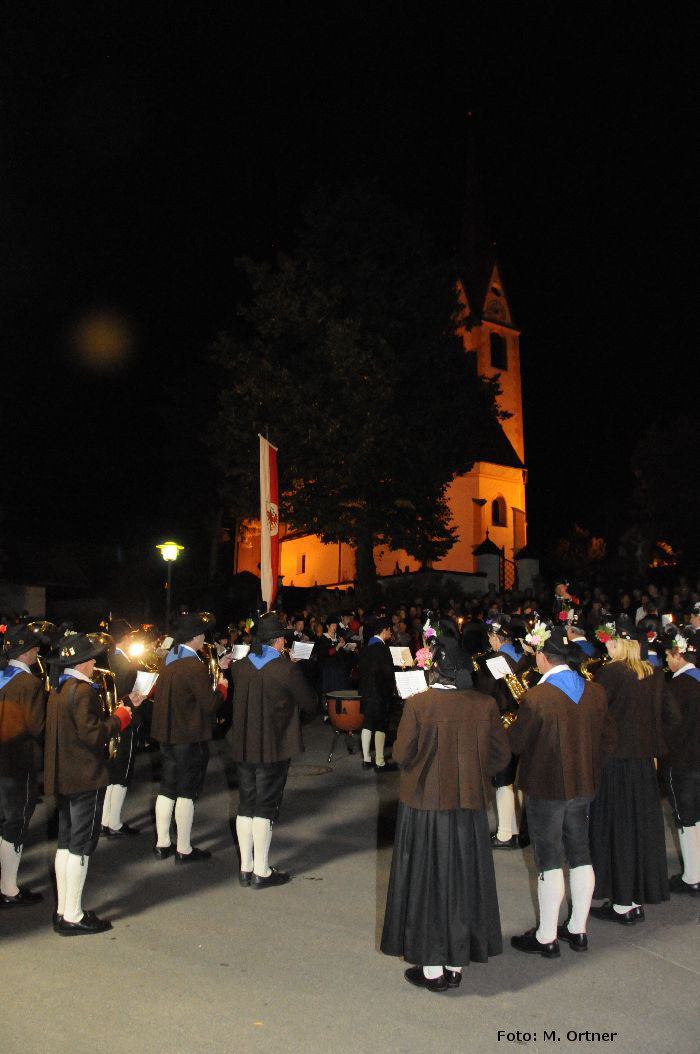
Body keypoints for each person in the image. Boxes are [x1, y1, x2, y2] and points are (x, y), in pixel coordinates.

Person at [380, 634, 511, 992]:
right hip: (468, 806)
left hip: (425, 806)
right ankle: (456, 963)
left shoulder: (419, 705)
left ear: (434, 669)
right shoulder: (484, 705)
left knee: (427, 881)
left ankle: (433, 968)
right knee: (462, 879)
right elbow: (501, 757)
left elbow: (402, 754)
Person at [508, 622, 612, 958]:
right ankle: (578, 929)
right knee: (580, 853)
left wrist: (508, 724)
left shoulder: (537, 696)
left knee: (549, 859)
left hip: (546, 786)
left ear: (542, 657)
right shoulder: (595, 691)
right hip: (584, 783)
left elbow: (518, 743)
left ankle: (546, 936)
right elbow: (608, 738)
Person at [588, 617, 678, 923]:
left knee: (618, 830)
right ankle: (636, 895)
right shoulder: (653, 673)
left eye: (610, 642)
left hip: (615, 762)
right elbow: (671, 715)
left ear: (619, 643)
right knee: (640, 828)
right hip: (642, 763)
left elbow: (596, 716)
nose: (607, 646)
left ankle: (622, 902)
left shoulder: (611, 673)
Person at [44, 633, 133, 935]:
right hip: (85, 776)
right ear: (80, 664)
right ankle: (73, 914)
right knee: (81, 846)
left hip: (66, 776)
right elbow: (93, 735)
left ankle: (63, 910)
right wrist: (120, 718)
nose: (95, 661)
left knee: (67, 844)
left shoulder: (59, 688)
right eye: (92, 658)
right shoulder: (82, 691)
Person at [229, 612, 316, 888]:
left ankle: (245, 868)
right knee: (266, 807)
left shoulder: (239, 667)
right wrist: (293, 668)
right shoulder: (285, 669)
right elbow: (309, 702)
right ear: (278, 641)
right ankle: (262, 871)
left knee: (246, 804)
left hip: (243, 744)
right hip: (273, 745)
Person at [150, 613, 230, 863]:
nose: (204, 638)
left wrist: (220, 667)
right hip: (189, 735)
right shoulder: (194, 665)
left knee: (167, 788)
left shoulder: (169, 659)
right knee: (186, 791)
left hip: (166, 734)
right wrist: (223, 687)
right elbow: (209, 703)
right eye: (202, 634)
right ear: (195, 637)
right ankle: (184, 848)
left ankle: (162, 843)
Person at [0, 623, 47, 907]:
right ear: (28, 653)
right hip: (18, 762)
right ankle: (8, 888)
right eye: (35, 648)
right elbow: (37, 726)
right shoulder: (29, 683)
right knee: (15, 823)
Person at [100, 618, 146, 837]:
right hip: (126, 718)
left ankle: (105, 819)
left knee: (112, 770)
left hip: (113, 719)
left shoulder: (108, 657)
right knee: (122, 771)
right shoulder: (123, 662)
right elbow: (127, 690)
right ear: (126, 638)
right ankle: (114, 822)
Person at [663, 627, 700, 896]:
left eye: (667, 654)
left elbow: (670, 725)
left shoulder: (676, 686)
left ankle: (692, 875)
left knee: (685, 817)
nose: (666, 659)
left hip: (683, 760)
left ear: (678, 654)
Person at [358, 615, 398, 772]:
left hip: (366, 692)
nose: (391, 633)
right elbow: (387, 673)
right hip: (380, 694)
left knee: (367, 724)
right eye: (390, 630)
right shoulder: (383, 649)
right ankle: (380, 761)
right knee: (381, 726)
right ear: (385, 631)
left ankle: (367, 759)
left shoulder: (366, 648)